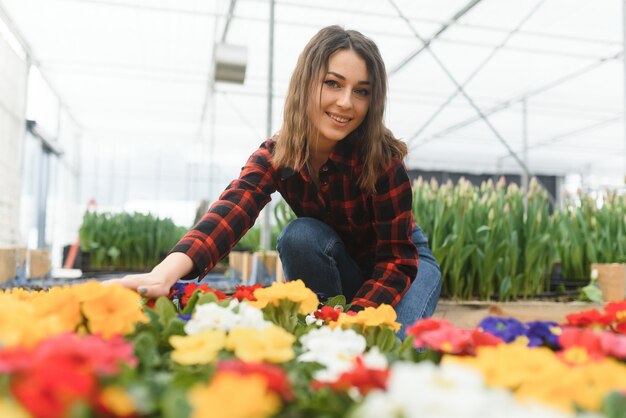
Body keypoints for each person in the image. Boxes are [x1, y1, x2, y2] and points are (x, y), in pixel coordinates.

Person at [106, 25, 442, 338]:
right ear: (307, 82)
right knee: (300, 236)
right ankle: (324, 326)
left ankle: (340, 329)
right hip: (340, 263)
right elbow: (233, 207)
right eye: (333, 83)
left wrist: (355, 322)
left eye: (361, 91)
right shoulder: (278, 154)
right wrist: (164, 274)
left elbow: (396, 260)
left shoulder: (381, 160)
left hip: (403, 267)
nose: (346, 102)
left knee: (390, 346)